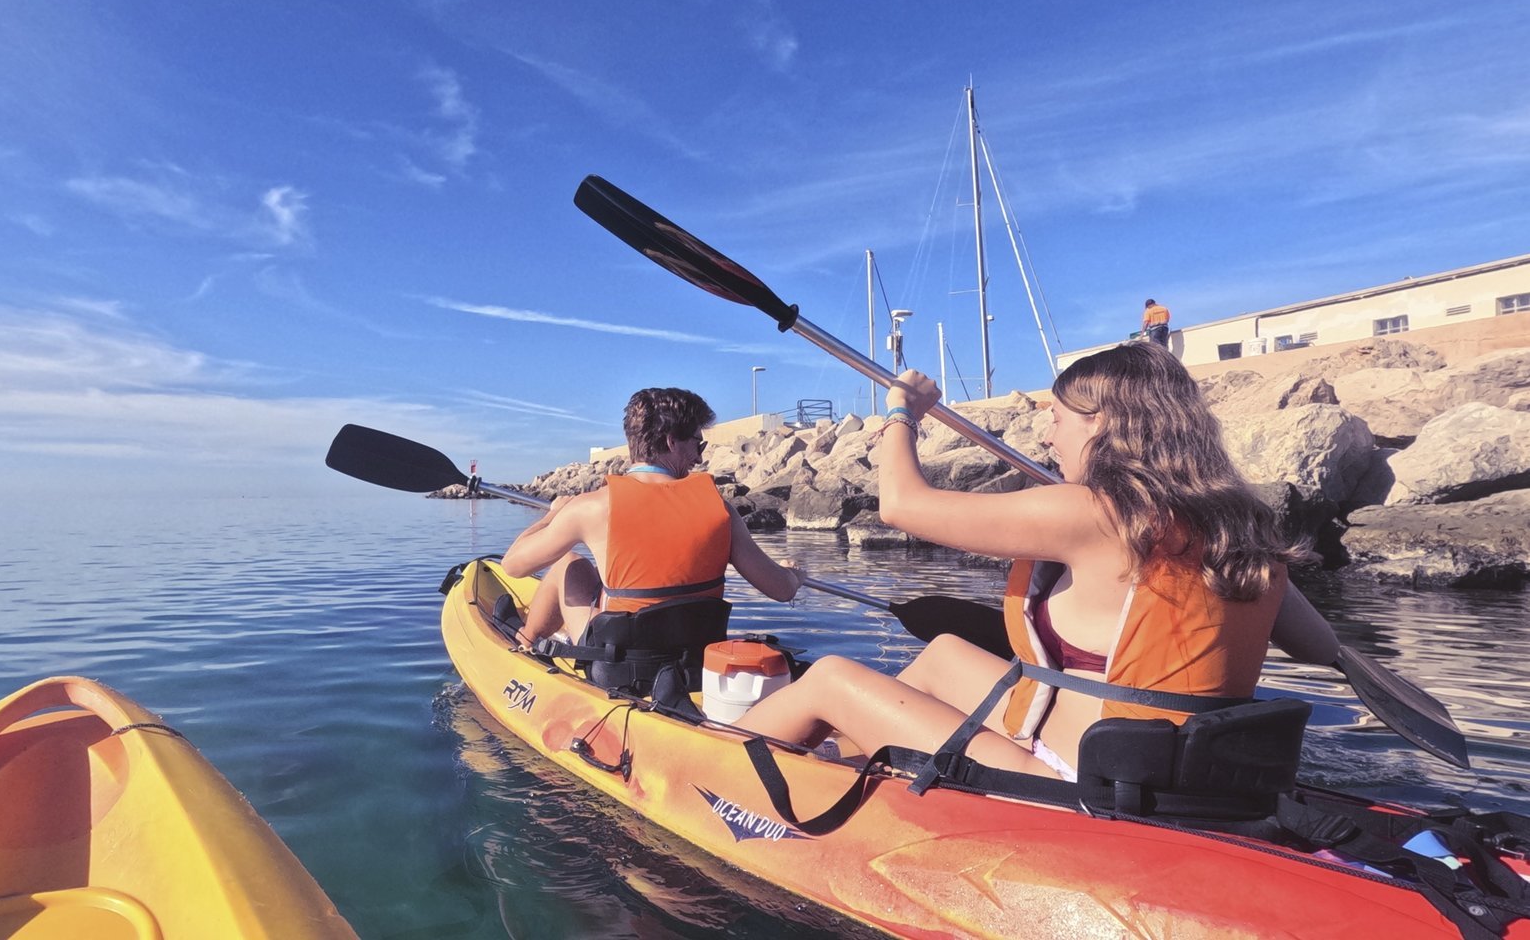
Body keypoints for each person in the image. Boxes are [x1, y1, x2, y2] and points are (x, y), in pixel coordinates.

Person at [735, 344, 1339, 781]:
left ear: (1100, 423)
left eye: (1055, 420)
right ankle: (846, 763)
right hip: (1177, 774)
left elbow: (899, 505)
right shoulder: (1241, 530)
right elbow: (1319, 647)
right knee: (945, 653)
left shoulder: (1095, 512)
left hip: (1076, 781)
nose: (1048, 438)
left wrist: (902, 413)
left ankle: (721, 772)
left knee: (833, 676)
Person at [502, 386, 802, 646]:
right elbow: (781, 589)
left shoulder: (589, 507)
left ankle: (527, 641)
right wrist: (793, 574)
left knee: (569, 564)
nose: (700, 457)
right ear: (671, 441)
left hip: (618, 659)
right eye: (698, 444)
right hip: (694, 654)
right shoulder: (722, 510)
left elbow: (513, 565)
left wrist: (554, 515)